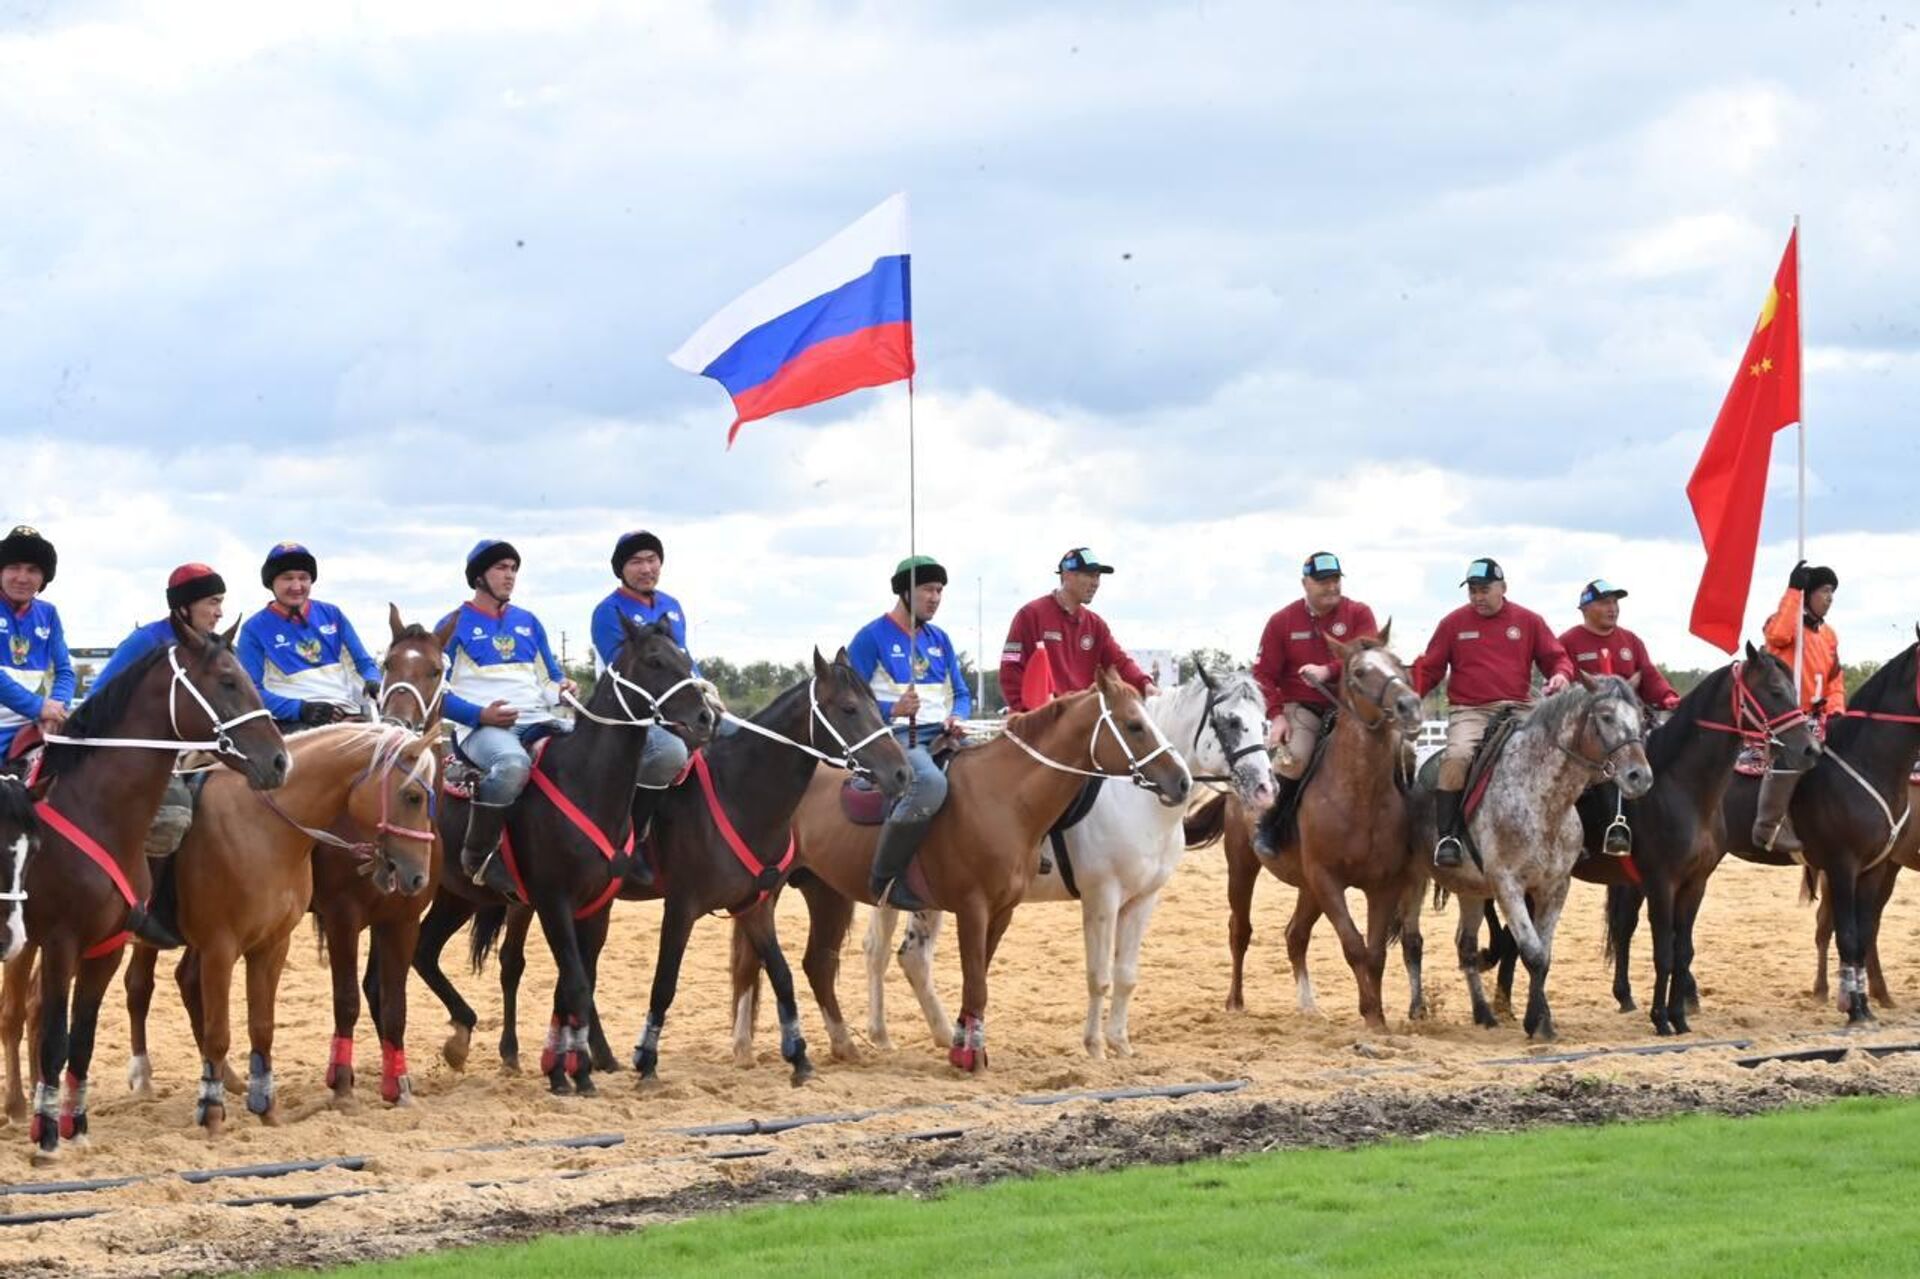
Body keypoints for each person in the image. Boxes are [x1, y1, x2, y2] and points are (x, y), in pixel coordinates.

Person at [91, 562, 230, 948]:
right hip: (134, 755)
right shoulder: (145, 641)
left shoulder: (210, 648)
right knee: (172, 813)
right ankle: (143, 909)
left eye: (221, 603)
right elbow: (99, 697)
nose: (219, 611)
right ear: (184, 606)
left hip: (192, 749)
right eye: (212, 602)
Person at [1412, 557, 1573, 868]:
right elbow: (1429, 670)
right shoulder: (1452, 624)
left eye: (1484, 590)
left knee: (1556, 755)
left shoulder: (1529, 621)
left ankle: (1567, 836)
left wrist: (1561, 674)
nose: (1477, 597)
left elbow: (1556, 658)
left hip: (1520, 709)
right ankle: (1448, 836)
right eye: (1472, 590)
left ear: (1503, 588)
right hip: (1471, 711)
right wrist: (1407, 695)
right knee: (1457, 756)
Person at [441, 539, 576, 896]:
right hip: (480, 728)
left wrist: (562, 690)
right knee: (513, 765)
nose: (510, 575)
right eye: (501, 568)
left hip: (536, 718)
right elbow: (435, 694)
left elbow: (548, 679)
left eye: (513, 568)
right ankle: (478, 855)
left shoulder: (528, 622)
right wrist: (479, 714)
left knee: (589, 747)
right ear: (479, 577)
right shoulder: (453, 624)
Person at [848, 555, 972, 908]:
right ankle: (884, 879)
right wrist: (893, 709)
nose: (935, 597)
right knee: (930, 784)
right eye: (928, 589)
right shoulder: (871, 637)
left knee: (998, 769)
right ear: (905, 591)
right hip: (895, 737)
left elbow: (961, 694)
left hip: (944, 734)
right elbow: (848, 699)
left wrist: (957, 717)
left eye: (940, 591)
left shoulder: (941, 639)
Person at [1249, 550, 1378, 856]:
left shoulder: (1359, 613)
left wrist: (1329, 670)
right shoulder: (1281, 621)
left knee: (1399, 751)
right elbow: (1263, 674)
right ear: (1305, 583)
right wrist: (1277, 715)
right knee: (1296, 758)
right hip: (1304, 706)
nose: (1331, 587)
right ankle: (1272, 826)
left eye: (1335, 580)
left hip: (1353, 708)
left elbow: (1368, 653)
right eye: (1322, 581)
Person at [590, 529, 698, 887]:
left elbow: (683, 662)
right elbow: (625, 672)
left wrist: (705, 693)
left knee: (735, 736)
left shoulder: (672, 605)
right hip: (629, 715)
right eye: (636, 561)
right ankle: (633, 839)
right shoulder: (608, 612)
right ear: (621, 570)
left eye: (652, 559)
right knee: (669, 751)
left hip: (676, 704)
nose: (646, 568)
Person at [237, 542, 380, 731]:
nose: (297, 586)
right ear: (272, 583)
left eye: (303, 578)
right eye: (287, 578)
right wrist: (299, 709)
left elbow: (364, 663)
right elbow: (249, 691)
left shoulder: (332, 614)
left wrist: (373, 680)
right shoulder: (253, 629)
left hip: (347, 716)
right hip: (292, 722)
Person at [1753, 560, 1844, 855]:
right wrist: (1794, 590)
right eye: (1825, 591)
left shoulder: (1829, 635)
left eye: (1833, 592)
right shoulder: (1783, 625)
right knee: (1791, 757)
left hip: (1818, 718)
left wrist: (1837, 711)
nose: (1830, 598)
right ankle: (1768, 829)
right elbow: (1775, 637)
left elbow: (1834, 680)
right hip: (1785, 717)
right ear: (1809, 594)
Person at [999, 548, 1158, 712]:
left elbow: (1120, 663)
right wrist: (1027, 714)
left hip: (1080, 725)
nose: (1095, 583)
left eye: (1097, 576)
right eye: (1089, 575)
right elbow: (1010, 667)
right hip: (1042, 724)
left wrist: (1145, 685)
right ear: (1067, 575)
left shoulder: (1096, 625)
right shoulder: (1031, 615)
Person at [0, 526, 73, 760]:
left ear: (43, 578)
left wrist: (56, 710)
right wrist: (38, 707)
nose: (22, 577)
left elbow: (64, 672)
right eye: (13, 567)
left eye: (32, 570)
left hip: (31, 726)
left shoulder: (49, 613)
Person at [1557, 579, 1680, 712]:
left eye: (1615, 602)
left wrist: (1666, 695)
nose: (1613, 609)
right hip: (1584, 721)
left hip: (1628, 719)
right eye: (1605, 603)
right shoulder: (1567, 641)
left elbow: (1649, 676)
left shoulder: (1631, 640)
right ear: (1585, 609)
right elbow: (1558, 678)